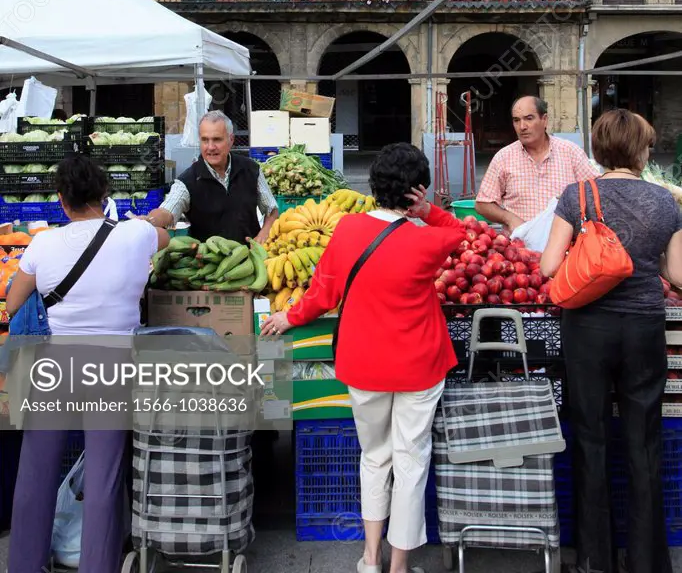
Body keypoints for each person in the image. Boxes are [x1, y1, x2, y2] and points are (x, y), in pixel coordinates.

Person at [261, 143, 467, 573]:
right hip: (420, 364)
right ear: (417, 189)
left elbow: (322, 295)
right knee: (411, 460)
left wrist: (288, 316)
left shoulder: (349, 230)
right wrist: (426, 209)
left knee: (374, 457)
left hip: (364, 364)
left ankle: (371, 558)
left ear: (373, 186)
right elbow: (459, 231)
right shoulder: (428, 239)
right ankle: (400, 566)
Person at [6, 153, 169, 573]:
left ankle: (24, 563)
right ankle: (97, 565)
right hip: (110, 366)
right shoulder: (134, 234)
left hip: (55, 364)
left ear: (61, 200)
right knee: (103, 475)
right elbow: (165, 236)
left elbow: (13, 301)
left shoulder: (42, 244)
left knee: (36, 469)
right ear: (104, 193)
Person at [540, 109, 682, 573]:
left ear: (600, 149)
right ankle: (647, 562)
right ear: (641, 149)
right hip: (644, 329)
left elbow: (546, 267)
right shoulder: (665, 203)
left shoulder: (577, 194)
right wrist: (647, 264)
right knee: (644, 443)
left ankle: (593, 560)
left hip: (588, 329)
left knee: (591, 438)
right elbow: (678, 275)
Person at [147, 110, 278, 244]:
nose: (210, 147)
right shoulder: (188, 181)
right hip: (208, 260)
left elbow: (271, 209)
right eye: (205, 140)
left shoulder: (251, 169)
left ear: (231, 140)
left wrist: (265, 231)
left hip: (249, 256)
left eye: (217, 139)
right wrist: (149, 221)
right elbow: (168, 211)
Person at [476, 95, 595, 233]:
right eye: (516, 120)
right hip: (518, 249)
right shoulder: (504, 157)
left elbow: (596, 193)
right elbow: (482, 203)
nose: (522, 126)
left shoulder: (571, 153)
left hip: (566, 246)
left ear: (544, 120)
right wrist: (508, 218)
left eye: (529, 118)